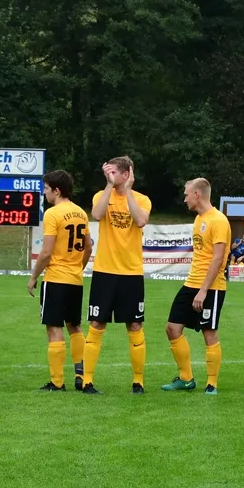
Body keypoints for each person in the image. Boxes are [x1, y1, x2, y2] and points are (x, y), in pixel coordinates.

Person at [83, 156, 152, 395]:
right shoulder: (102, 195)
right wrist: (109, 185)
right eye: (108, 172)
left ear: (127, 174)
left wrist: (128, 190)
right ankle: (87, 381)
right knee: (96, 323)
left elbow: (140, 220)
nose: (110, 175)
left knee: (134, 324)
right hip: (104, 271)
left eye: (114, 172)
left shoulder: (142, 199)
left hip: (131, 272)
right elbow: (97, 214)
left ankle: (138, 381)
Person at [161, 178, 230, 394]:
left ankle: (212, 384)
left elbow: (218, 259)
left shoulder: (218, 220)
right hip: (191, 282)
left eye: (187, 194)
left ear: (197, 195)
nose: (185, 199)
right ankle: (186, 379)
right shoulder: (199, 219)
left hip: (211, 287)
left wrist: (203, 290)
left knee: (209, 333)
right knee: (172, 328)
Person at [28, 170, 90, 392]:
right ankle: (81, 374)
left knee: (54, 327)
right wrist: (77, 268)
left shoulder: (52, 214)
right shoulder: (81, 213)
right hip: (75, 280)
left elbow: (46, 252)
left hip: (55, 279)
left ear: (57, 190)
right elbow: (88, 247)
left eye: (46, 189)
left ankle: (57, 382)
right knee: (74, 326)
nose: (44, 193)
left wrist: (34, 277)